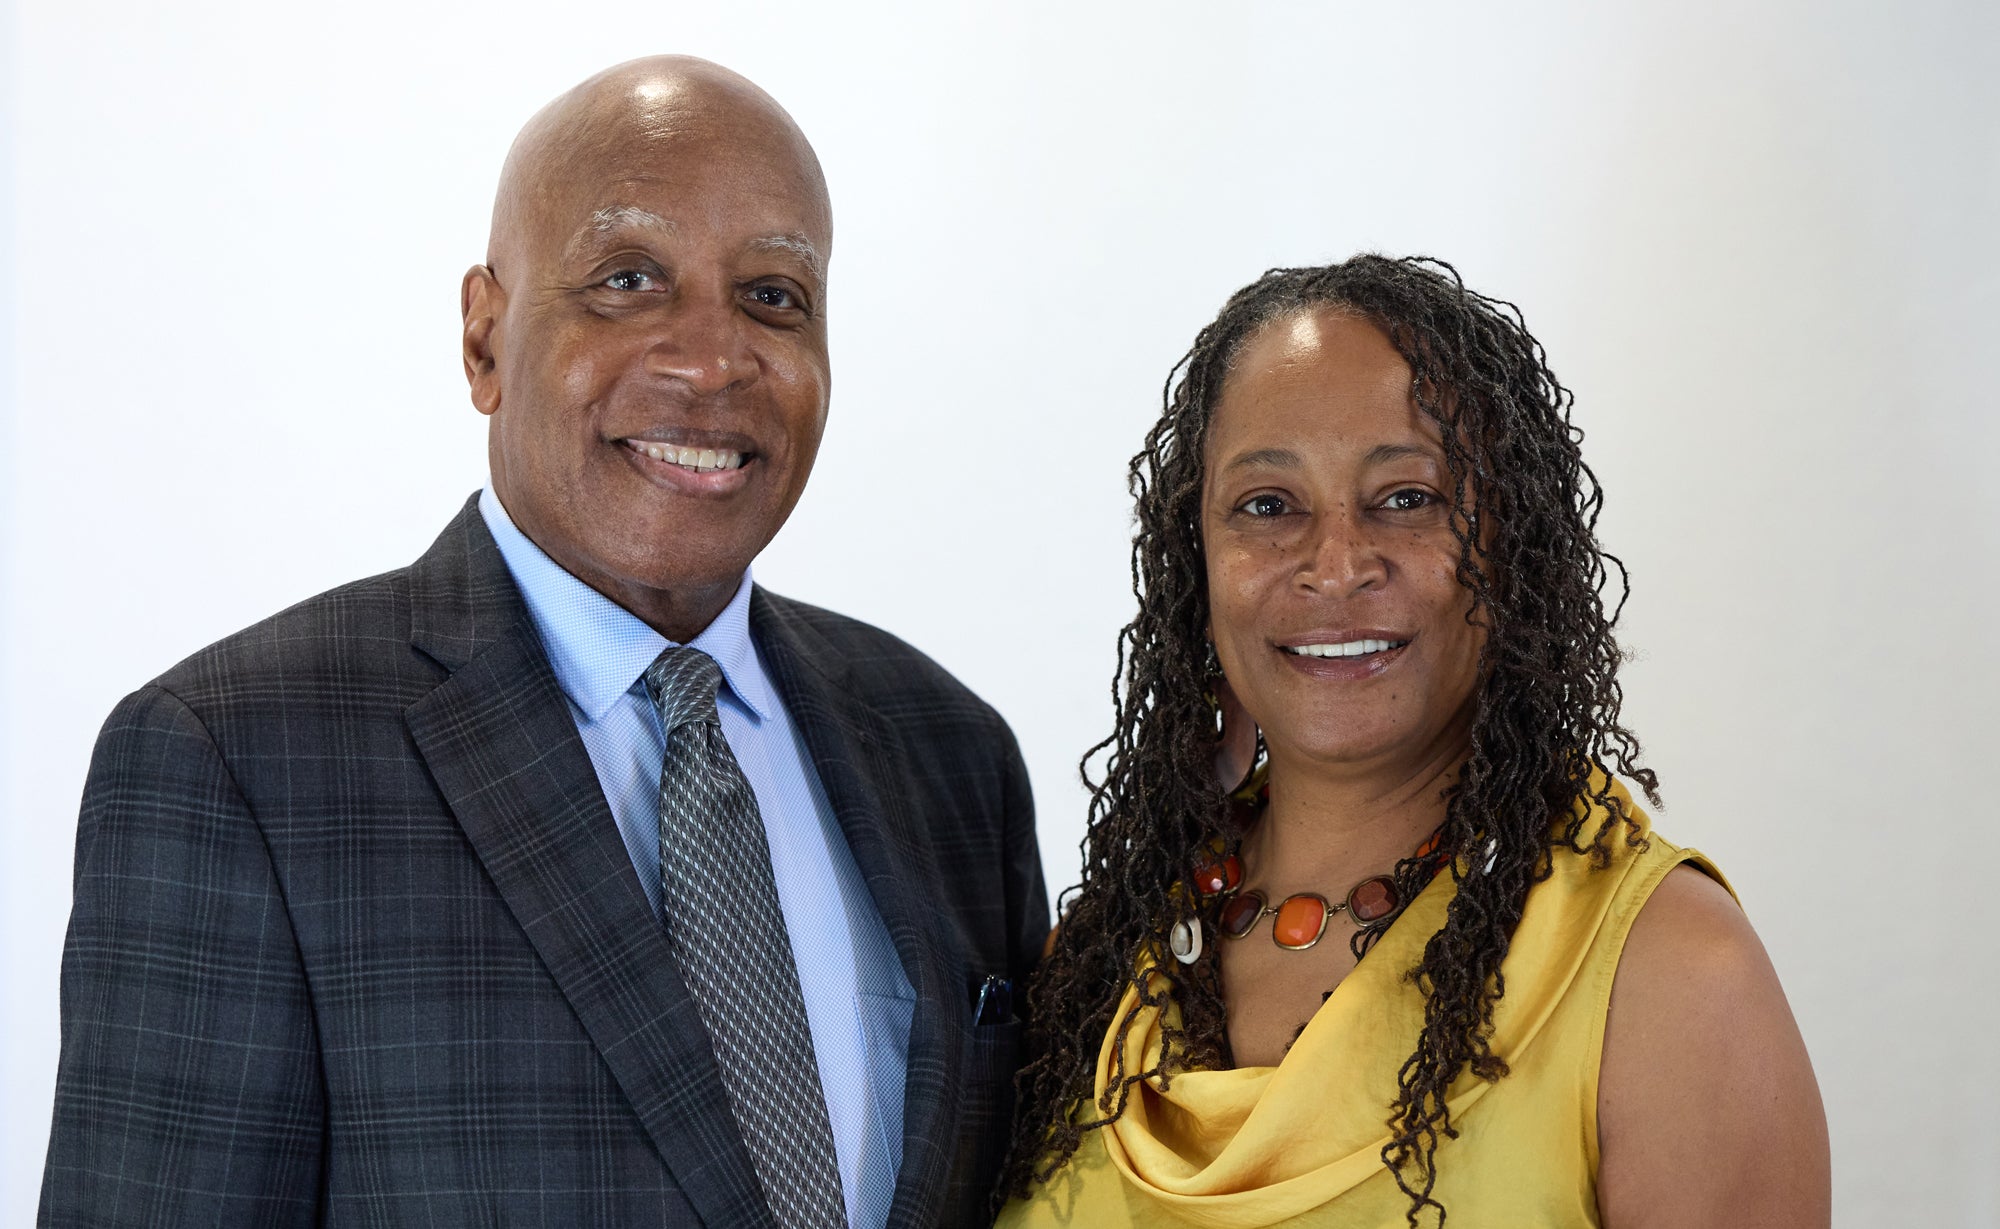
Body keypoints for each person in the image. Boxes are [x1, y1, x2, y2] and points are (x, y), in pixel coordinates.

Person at [40, 56, 1046, 1229]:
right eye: (628, 279)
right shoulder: (237, 763)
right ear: (484, 338)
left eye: (773, 294)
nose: (711, 358)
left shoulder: (950, 752)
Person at [997, 256, 1829, 1227]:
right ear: (1196, 563)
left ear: (1509, 546)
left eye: (1405, 497)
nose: (1336, 563)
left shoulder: (1666, 973)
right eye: (1267, 505)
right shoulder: (1099, 959)